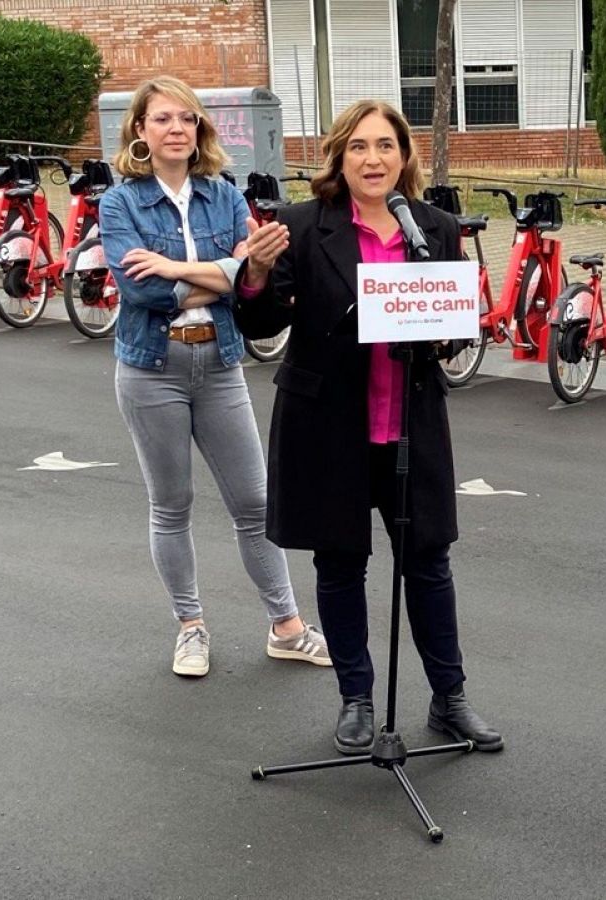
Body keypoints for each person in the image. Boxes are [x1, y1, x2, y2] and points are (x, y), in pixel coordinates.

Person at [233, 100, 502, 756]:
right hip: (328, 422)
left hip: (411, 423)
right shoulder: (301, 225)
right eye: (358, 147)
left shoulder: (434, 227)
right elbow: (260, 323)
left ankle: (450, 697)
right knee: (340, 561)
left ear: (404, 157)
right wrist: (258, 272)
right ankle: (356, 698)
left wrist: (446, 330)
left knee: (429, 562)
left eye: (385, 146)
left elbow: (456, 323)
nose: (373, 159)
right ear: (339, 157)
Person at [101, 76, 329, 677]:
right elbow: (138, 290)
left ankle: (286, 625)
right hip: (152, 370)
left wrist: (183, 267)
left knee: (255, 501)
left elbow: (253, 277)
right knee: (172, 503)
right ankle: (191, 626)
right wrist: (224, 272)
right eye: (163, 120)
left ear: (200, 128)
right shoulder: (120, 201)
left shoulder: (224, 194)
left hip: (220, 362)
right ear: (141, 132)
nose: (177, 129)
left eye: (187, 119)